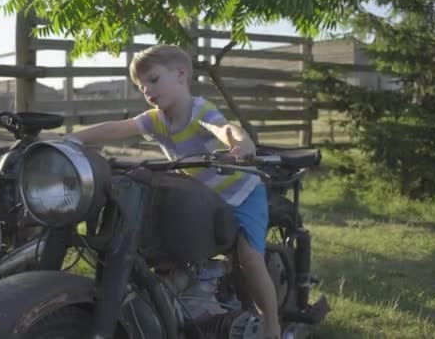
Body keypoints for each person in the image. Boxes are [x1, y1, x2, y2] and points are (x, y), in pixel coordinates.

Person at [66, 44, 281, 338]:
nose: (148, 91)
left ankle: (272, 324)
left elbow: (224, 128)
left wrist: (242, 143)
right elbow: (117, 127)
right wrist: (71, 141)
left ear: (181, 74)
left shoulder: (198, 110)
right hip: (203, 198)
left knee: (248, 258)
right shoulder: (156, 119)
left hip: (241, 195)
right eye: (142, 87)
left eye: (153, 80)